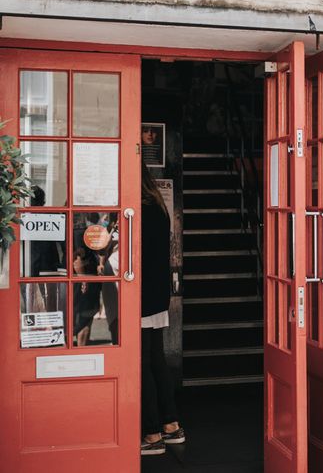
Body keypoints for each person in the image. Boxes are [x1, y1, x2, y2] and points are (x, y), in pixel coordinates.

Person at [140, 162, 185, 456]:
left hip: (140, 295)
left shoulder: (138, 208)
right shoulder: (157, 205)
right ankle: (170, 424)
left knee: (141, 364)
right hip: (156, 294)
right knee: (156, 359)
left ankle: (152, 433)